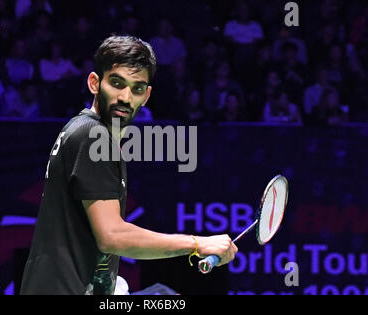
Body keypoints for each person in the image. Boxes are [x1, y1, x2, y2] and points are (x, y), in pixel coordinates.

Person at [20, 35, 238, 295]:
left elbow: (89, 236)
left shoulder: (84, 131)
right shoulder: (92, 136)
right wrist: (196, 243)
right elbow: (112, 235)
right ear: (94, 83)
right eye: (116, 83)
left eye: (136, 88)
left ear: (146, 96)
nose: (125, 97)